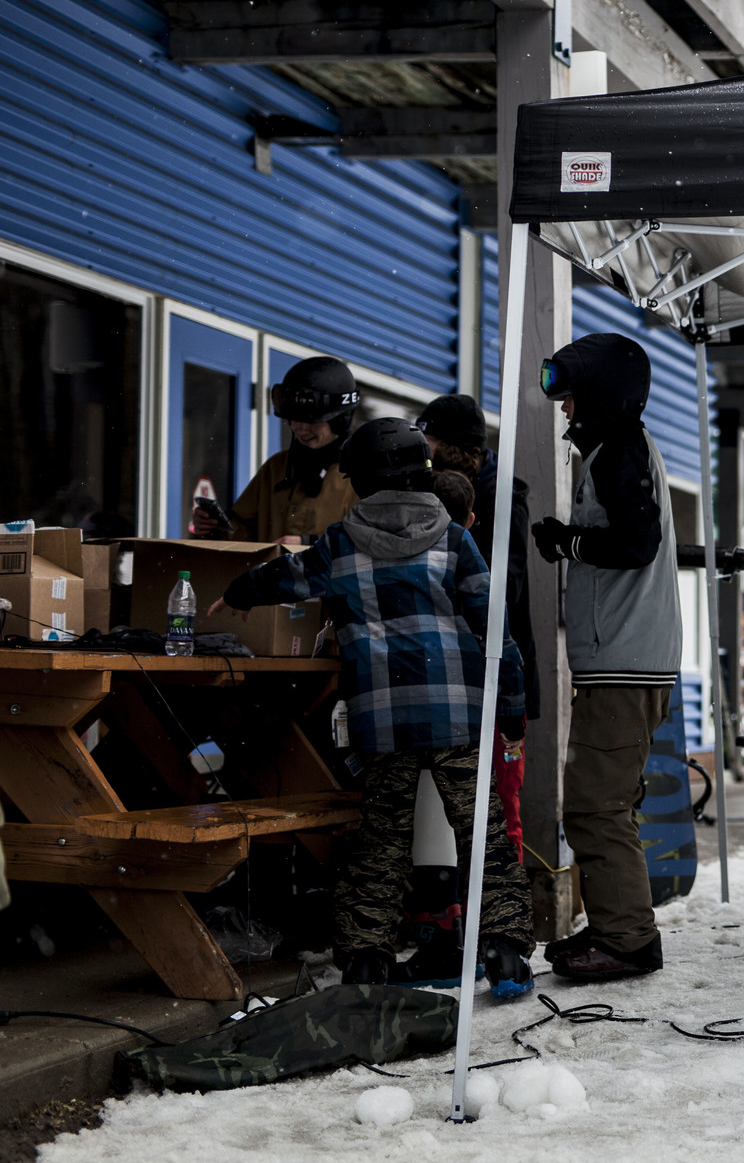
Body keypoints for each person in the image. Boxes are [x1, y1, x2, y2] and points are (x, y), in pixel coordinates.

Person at [211, 418, 534, 996]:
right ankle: (505, 957)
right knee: (484, 840)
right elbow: (496, 631)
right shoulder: (454, 539)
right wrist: (511, 707)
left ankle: (365, 963)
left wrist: (237, 591)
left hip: (383, 723)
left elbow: (284, 579)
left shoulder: (338, 544)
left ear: (357, 481)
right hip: (457, 717)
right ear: (423, 474)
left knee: (381, 845)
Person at [529, 333, 681, 983]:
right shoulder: (613, 448)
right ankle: (617, 925)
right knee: (603, 802)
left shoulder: (619, 447)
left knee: (596, 806)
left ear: (598, 396)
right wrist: (572, 541)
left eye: (570, 398)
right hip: (621, 659)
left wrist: (571, 543)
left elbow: (636, 542)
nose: (565, 410)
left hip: (626, 660)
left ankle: (627, 939)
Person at [416, 394, 536, 857]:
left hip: (495, 675)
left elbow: (507, 591)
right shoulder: (436, 489)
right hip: (450, 676)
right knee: (450, 811)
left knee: (496, 804)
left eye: (430, 441)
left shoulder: (500, 499)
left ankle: (502, 899)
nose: (424, 450)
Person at [193, 356, 361, 542]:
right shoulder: (278, 467)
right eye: (293, 419)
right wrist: (215, 528)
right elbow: (242, 532)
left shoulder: (365, 475)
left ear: (339, 420)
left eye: (311, 420)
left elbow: (375, 545)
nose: (300, 428)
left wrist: (310, 545)